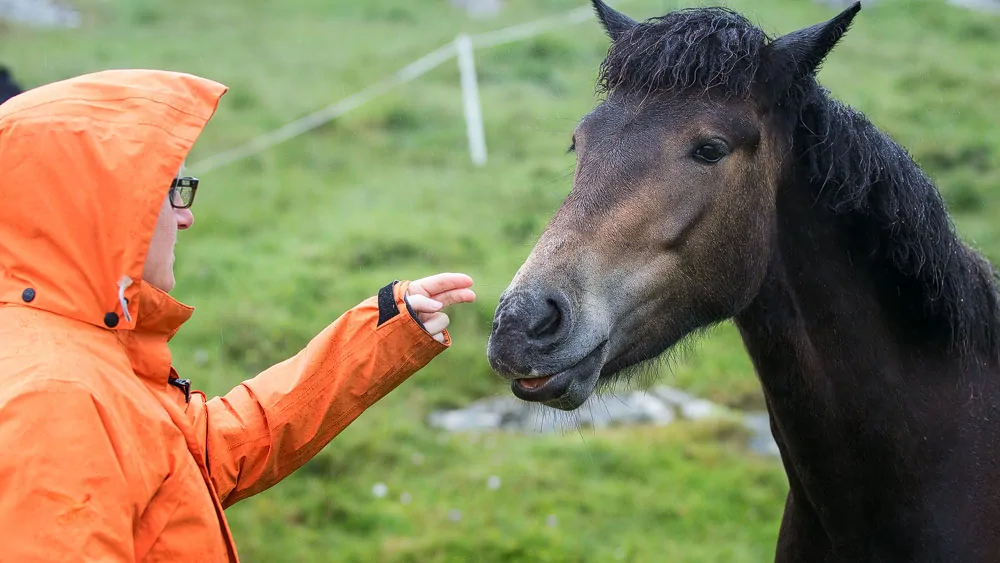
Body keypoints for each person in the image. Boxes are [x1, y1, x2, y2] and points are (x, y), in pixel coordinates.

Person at [0, 69, 477, 561]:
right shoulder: (53, 402)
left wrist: (382, 333)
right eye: (169, 190)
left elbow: (199, 455)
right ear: (101, 209)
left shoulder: (79, 343)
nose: (185, 215)